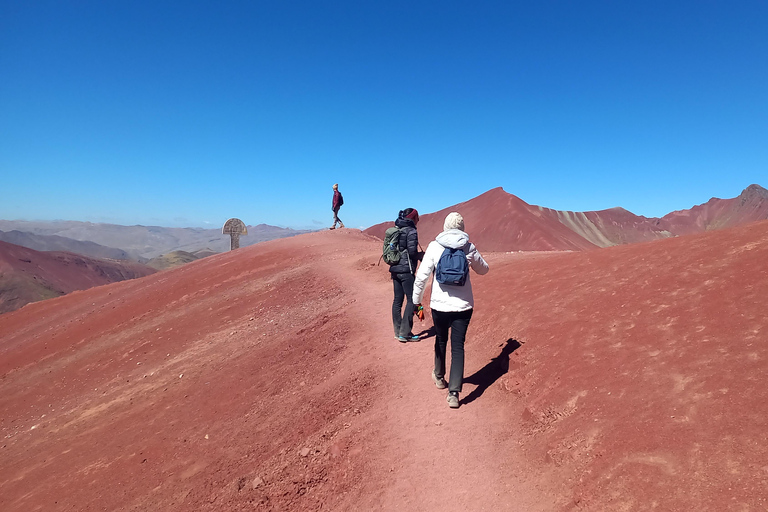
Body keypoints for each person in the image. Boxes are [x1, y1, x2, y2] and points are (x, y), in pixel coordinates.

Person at [413, 212, 489, 408]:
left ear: (445, 226)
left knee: (440, 339)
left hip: (439, 306)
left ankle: (439, 377)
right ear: (462, 227)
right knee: (458, 346)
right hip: (463, 307)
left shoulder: (435, 246)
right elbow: (484, 270)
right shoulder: (468, 247)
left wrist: (416, 302)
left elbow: (422, 277)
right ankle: (454, 393)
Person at [390, 208, 422, 343]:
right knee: (411, 300)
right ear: (413, 218)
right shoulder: (411, 231)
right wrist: (421, 256)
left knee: (397, 300)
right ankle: (405, 333)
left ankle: (398, 332)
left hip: (395, 269)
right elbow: (412, 252)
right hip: (406, 270)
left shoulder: (397, 229)